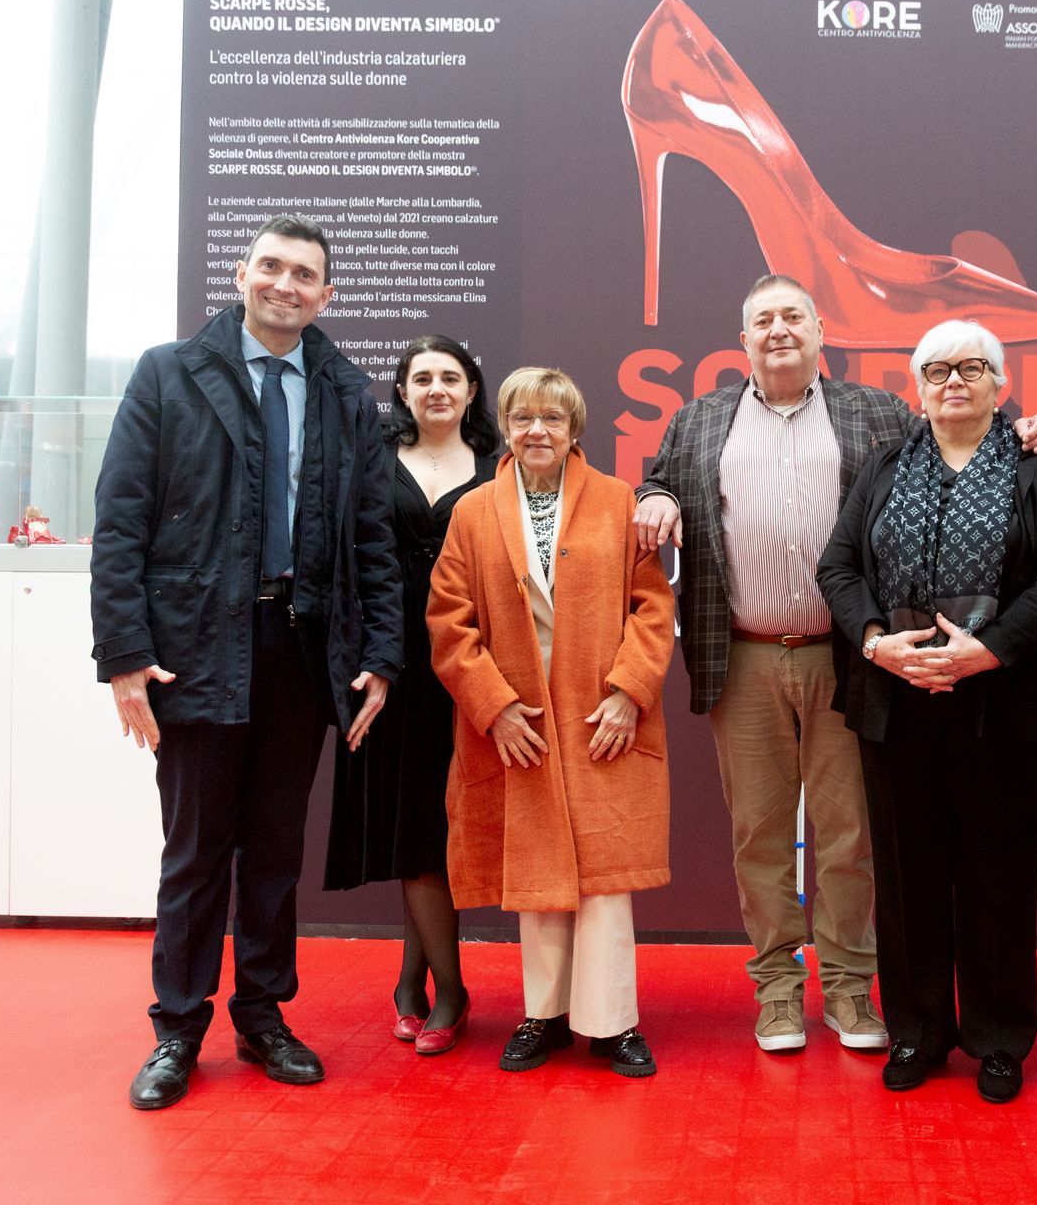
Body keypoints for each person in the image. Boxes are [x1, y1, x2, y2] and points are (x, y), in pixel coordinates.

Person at [633, 274, 1037, 1052]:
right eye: (763, 319)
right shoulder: (699, 419)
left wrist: (1027, 431)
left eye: (793, 316)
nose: (779, 330)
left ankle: (848, 990)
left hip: (850, 657)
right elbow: (660, 476)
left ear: (820, 330)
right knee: (759, 838)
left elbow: (957, 441)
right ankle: (776, 991)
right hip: (745, 658)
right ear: (743, 340)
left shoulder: (876, 411)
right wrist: (652, 495)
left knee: (850, 838)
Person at [92, 213, 404, 1110]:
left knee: (273, 851)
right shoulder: (168, 373)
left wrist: (382, 654)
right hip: (194, 647)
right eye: (271, 266)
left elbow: (372, 539)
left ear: (326, 295)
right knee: (195, 851)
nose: (285, 285)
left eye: (304, 274)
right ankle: (177, 1029)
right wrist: (123, 653)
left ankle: (263, 1017)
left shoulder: (346, 395)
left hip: (304, 651)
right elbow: (120, 521)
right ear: (241, 273)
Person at [816, 320, 1037, 1104]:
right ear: (919, 387)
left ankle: (998, 1037)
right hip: (897, 703)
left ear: (1000, 384)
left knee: (999, 876)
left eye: (972, 368)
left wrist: (990, 649)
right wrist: (877, 642)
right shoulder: (884, 467)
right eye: (937, 370)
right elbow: (838, 566)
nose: (954, 381)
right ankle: (918, 1029)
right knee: (908, 876)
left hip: (1004, 706)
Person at [428, 367, 675, 1078]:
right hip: (521, 721)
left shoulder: (620, 501)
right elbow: (448, 622)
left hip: (601, 713)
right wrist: (494, 707)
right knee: (536, 871)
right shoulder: (473, 511)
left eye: (553, 419)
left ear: (575, 430)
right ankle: (544, 1015)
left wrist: (630, 691)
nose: (537, 431)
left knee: (604, 876)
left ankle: (613, 1022)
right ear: (504, 426)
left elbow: (653, 606)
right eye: (523, 418)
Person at [322, 335, 498, 1055]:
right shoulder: (372, 460)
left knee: (440, 831)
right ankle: (446, 991)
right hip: (388, 667)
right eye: (421, 378)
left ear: (471, 390)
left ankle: (412, 983)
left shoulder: (497, 466)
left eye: (450, 377)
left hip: (469, 666)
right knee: (413, 830)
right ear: (401, 391)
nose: (435, 389)